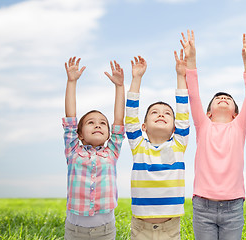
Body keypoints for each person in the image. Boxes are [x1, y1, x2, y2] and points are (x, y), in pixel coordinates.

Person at [180, 30, 246, 240]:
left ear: (235, 113)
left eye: (227, 98)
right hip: (202, 205)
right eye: (218, 98)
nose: (223, 98)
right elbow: (194, 94)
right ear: (208, 112)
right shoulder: (202, 125)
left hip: (233, 206)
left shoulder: (239, 126)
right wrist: (192, 59)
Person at [125, 54, 189, 240]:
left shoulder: (178, 144)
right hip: (141, 227)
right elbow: (130, 117)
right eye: (154, 112)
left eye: (167, 113)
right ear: (143, 127)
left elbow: (183, 112)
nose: (161, 114)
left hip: (170, 227)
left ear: (175, 128)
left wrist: (180, 76)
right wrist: (137, 78)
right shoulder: (138, 146)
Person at [62, 57, 125, 239]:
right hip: (75, 230)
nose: (98, 125)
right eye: (91, 122)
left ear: (109, 133)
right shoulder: (73, 151)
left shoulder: (111, 152)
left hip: (105, 230)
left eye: (103, 123)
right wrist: (71, 81)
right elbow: (70, 117)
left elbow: (119, 121)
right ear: (79, 134)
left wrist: (119, 87)